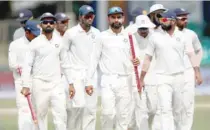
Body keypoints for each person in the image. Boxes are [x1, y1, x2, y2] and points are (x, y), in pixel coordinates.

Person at [140, 10, 202, 130]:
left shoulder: (182, 37)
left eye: (164, 19)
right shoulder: (155, 37)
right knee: (165, 109)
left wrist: (197, 73)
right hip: (162, 78)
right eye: (160, 20)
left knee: (178, 110)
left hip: (179, 76)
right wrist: (142, 78)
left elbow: (191, 55)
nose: (161, 22)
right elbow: (147, 59)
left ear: (173, 21)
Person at [86, 6, 140, 130]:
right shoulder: (102, 36)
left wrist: (137, 61)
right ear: (108, 19)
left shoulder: (129, 36)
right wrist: (88, 81)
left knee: (123, 116)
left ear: (123, 18)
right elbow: (93, 59)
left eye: (119, 17)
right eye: (113, 17)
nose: (116, 20)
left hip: (125, 80)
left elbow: (136, 57)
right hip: (108, 79)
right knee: (108, 114)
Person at [21, 12, 75, 130]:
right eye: (45, 22)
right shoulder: (35, 43)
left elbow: (65, 63)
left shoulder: (60, 41)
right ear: (41, 25)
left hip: (56, 83)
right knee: (40, 116)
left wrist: (71, 83)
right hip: (39, 83)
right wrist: (25, 85)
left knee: (61, 115)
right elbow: (27, 65)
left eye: (51, 22)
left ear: (55, 25)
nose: (48, 24)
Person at [63, 5, 100, 130]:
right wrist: (68, 79)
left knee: (90, 110)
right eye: (87, 16)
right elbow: (63, 54)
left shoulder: (97, 33)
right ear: (80, 17)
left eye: (92, 16)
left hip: (91, 75)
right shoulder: (70, 33)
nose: (90, 18)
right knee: (77, 107)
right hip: (75, 74)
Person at [174, 8, 203, 130]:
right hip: (172, 74)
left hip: (188, 73)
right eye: (183, 18)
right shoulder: (166, 34)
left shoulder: (191, 34)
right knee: (175, 105)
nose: (185, 21)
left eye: (186, 18)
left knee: (188, 105)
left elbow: (198, 50)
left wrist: (197, 70)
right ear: (174, 19)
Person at [8, 20, 40, 130]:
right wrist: (24, 67)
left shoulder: (39, 43)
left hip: (36, 80)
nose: (37, 36)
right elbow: (12, 64)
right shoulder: (15, 45)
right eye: (35, 34)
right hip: (21, 82)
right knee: (24, 109)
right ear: (27, 32)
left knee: (37, 109)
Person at [128, 14, 156, 130]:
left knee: (153, 108)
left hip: (152, 78)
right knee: (141, 110)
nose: (144, 31)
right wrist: (130, 59)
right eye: (141, 28)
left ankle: (131, 125)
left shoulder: (155, 37)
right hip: (135, 79)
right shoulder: (130, 38)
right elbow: (124, 55)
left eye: (146, 28)